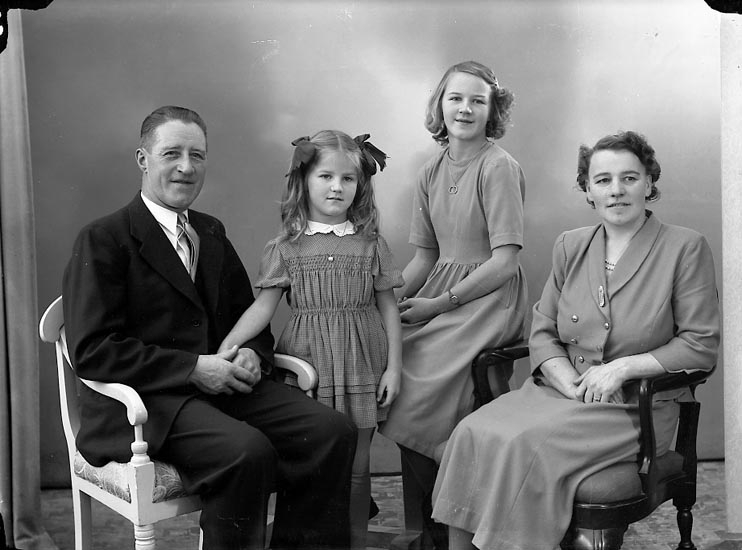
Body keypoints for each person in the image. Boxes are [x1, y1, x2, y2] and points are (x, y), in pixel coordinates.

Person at [62, 106, 358, 550]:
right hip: (148, 405)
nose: (186, 167)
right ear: (143, 159)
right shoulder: (104, 238)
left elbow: (248, 319)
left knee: (331, 431)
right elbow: (92, 350)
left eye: (197, 155)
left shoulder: (210, 231)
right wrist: (193, 368)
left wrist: (252, 354)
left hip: (218, 391)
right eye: (172, 153)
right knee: (245, 452)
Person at [431, 130, 721, 550]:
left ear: (649, 183)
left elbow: (700, 344)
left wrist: (621, 369)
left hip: (632, 408)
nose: (616, 190)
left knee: (521, 444)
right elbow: (543, 328)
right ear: (588, 189)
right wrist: (567, 381)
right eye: (603, 180)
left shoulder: (685, 247)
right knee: (471, 432)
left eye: (629, 178)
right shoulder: (571, 245)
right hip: (560, 392)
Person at [219, 130, 404, 549]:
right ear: (304, 180)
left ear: (360, 185)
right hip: (310, 366)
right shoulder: (286, 247)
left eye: (348, 179)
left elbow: (389, 309)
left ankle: (354, 541)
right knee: (312, 459)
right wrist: (226, 348)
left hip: (362, 362)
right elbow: (263, 308)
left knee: (358, 466)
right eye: (326, 176)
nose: (337, 187)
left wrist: (394, 367)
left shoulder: (371, 244)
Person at [378, 60, 528, 537]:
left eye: (477, 101)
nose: (465, 109)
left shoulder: (498, 167)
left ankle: (453, 520)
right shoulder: (430, 171)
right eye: (456, 98)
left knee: (413, 375)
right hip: (442, 293)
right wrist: (384, 305)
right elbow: (424, 258)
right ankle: (434, 524)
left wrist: (438, 305)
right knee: (384, 355)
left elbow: (504, 263)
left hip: (488, 298)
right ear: (440, 106)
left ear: (492, 110)